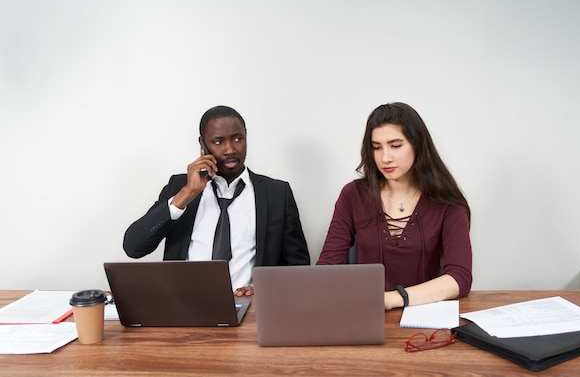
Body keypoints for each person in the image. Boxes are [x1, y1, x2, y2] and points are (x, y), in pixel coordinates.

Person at [124, 105, 311, 296]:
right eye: (218, 142)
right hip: (184, 306)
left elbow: (299, 269)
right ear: (202, 143)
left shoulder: (277, 193)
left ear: (246, 136)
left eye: (237, 139)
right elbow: (133, 247)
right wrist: (187, 193)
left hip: (250, 310)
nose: (230, 149)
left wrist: (264, 290)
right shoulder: (179, 187)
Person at [317, 102, 472, 310]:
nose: (385, 158)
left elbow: (459, 278)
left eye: (396, 146)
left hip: (426, 316)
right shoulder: (353, 195)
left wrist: (391, 299)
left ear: (417, 145)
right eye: (376, 147)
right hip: (366, 313)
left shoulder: (447, 203)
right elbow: (327, 268)